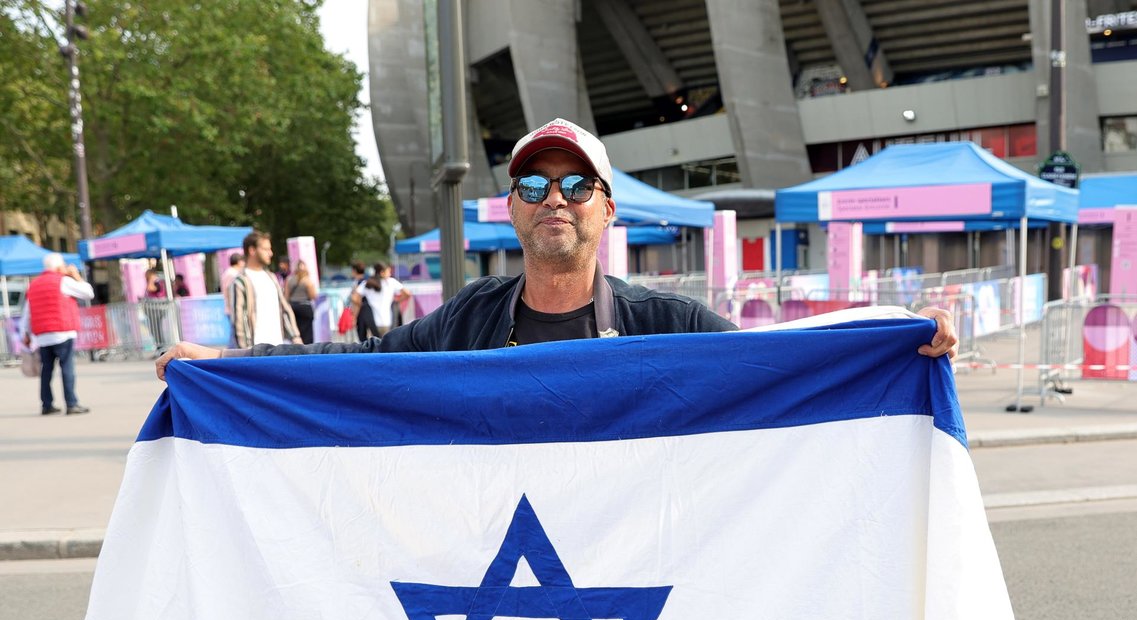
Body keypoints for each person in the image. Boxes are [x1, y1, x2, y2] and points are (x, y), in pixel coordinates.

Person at [157, 118, 957, 379]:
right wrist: (221, 366)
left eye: (576, 186)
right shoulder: (467, 320)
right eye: (534, 187)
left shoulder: (664, 322)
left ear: (607, 211)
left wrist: (892, 337)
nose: (555, 201)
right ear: (510, 211)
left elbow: (774, 365)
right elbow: (355, 364)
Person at [20, 253, 94, 415]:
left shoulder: (33, 285)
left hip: (43, 335)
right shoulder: (63, 281)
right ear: (59, 266)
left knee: (46, 370)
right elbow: (89, 293)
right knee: (67, 368)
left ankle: (46, 404)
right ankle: (71, 403)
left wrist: (24, 333)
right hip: (63, 331)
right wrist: (76, 275)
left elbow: (27, 313)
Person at [228, 231, 301, 349]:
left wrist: (295, 336)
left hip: (277, 347)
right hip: (256, 351)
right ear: (252, 250)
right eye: (266, 249)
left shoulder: (271, 277)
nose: (270, 253)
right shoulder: (241, 282)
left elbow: (284, 308)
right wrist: (245, 350)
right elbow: (239, 320)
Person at [351, 262, 411, 339]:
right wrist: (397, 300)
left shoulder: (367, 283)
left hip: (373, 323)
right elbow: (407, 293)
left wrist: (360, 304)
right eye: (388, 272)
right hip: (390, 321)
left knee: (378, 343)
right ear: (382, 272)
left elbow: (354, 298)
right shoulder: (391, 282)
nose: (390, 274)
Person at [284, 260, 319, 344]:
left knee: (296, 333)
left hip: (293, 307)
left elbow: (286, 296)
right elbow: (313, 296)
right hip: (305, 307)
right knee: (307, 335)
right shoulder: (307, 281)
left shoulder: (289, 280)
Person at [349, 261, 375, 341]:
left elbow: (356, 301)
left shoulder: (359, 282)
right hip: (371, 310)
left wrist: (354, 316)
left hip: (362, 311)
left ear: (354, 271)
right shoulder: (369, 280)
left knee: (362, 336)